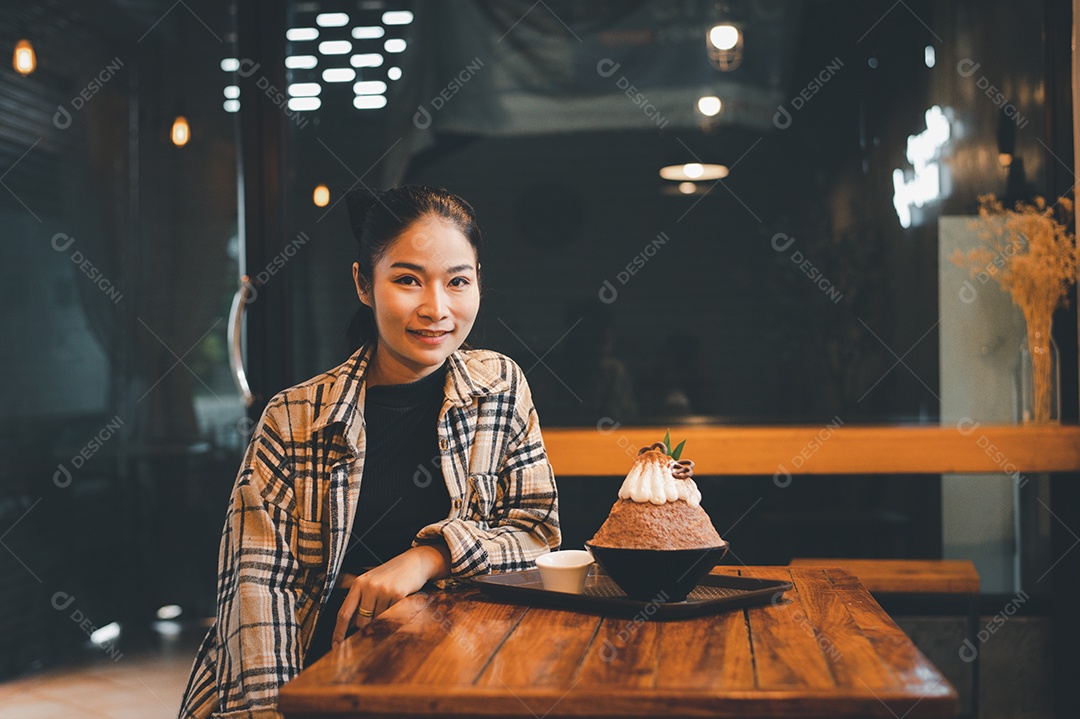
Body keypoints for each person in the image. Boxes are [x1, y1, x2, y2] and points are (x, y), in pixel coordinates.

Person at [178, 185, 561, 719]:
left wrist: (428, 558)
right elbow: (257, 590)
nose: (436, 308)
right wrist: (275, 712)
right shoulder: (295, 419)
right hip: (317, 673)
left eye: (458, 282)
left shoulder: (499, 386)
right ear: (364, 283)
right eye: (407, 280)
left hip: (462, 675)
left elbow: (537, 535)